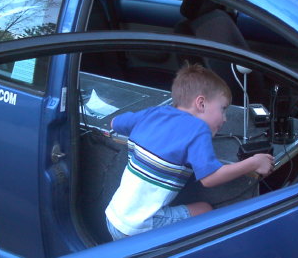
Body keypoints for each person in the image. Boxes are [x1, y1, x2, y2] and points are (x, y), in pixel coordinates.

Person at [105, 63, 274, 240]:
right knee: (204, 210)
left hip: (113, 217)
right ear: (201, 103)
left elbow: (114, 123)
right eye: (223, 109)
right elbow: (210, 178)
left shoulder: (155, 112)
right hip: (140, 227)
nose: (224, 119)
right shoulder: (198, 129)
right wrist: (254, 162)